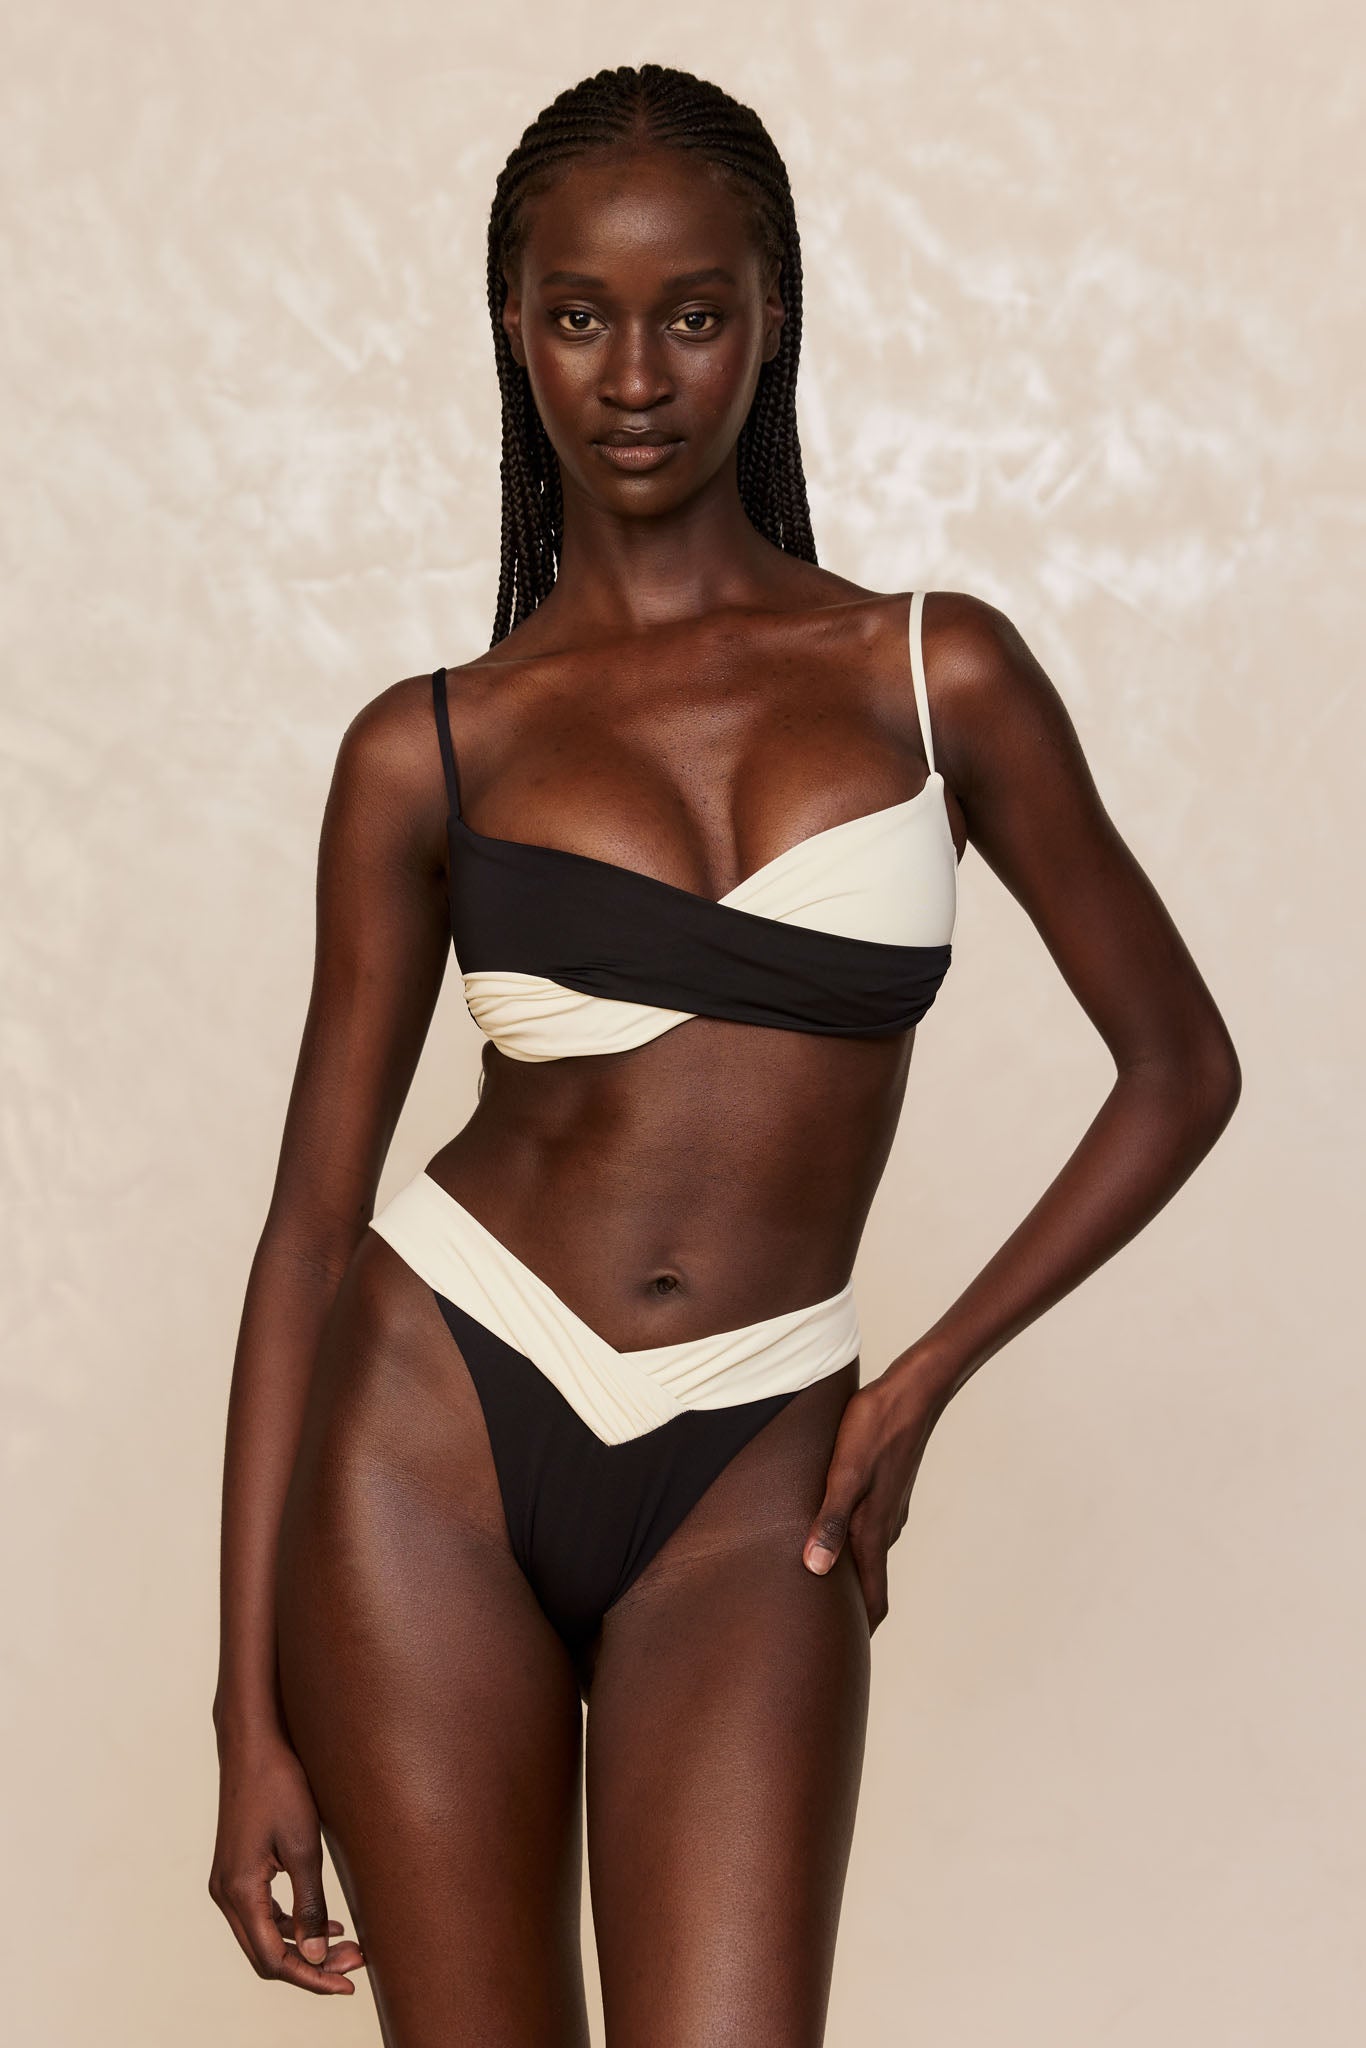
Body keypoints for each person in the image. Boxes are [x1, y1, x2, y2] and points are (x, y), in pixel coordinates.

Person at [207, 61, 1241, 2048]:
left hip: (760, 1445)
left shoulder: (935, 674)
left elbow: (1177, 1067)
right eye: (576, 315)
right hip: (431, 1432)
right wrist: (245, 1714)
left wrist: (921, 1379)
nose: (632, 376)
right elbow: (306, 1236)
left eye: (690, 312)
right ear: (513, 330)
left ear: (771, 316)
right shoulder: (425, 747)